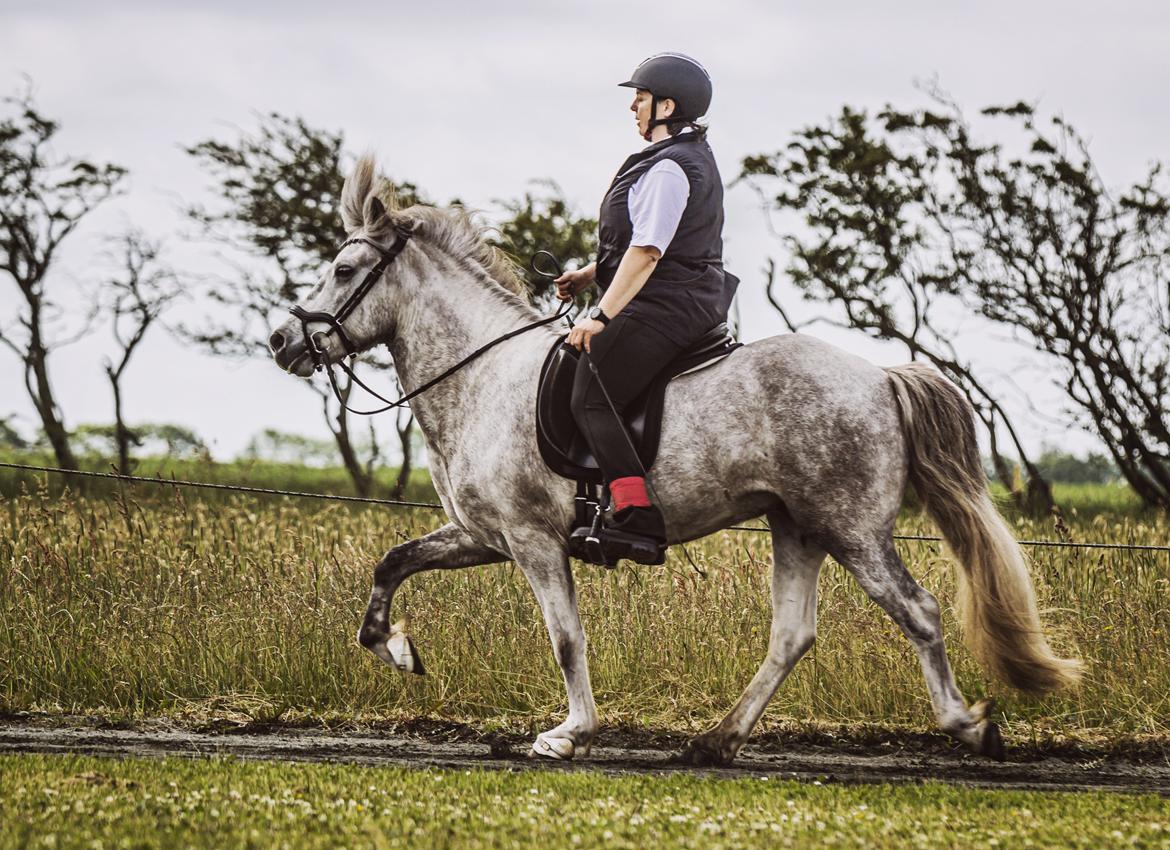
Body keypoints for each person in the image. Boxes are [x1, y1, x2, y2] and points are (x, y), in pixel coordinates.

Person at [553, 52, 740, 562]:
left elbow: (649, 251)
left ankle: (635, 518)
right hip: (673, 294)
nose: (632, 106)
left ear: (666, 105)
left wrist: (600, 315)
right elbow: (649, 239)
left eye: (640, 97)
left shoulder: (670, 169)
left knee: (590, 390)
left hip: (669, 305)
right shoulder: (672, 158)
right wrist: (590, 274)